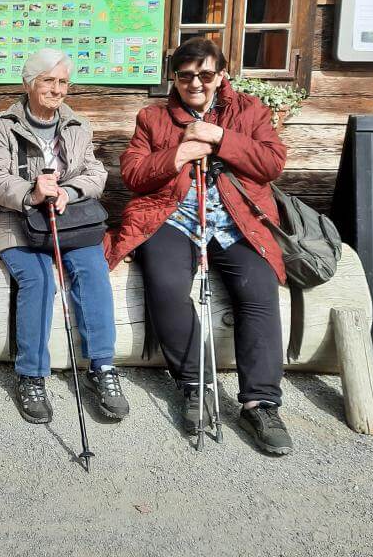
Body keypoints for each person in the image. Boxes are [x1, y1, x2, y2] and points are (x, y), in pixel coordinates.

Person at [106, 36, 292, 455]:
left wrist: (219, 136)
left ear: (221, 75)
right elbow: (134, 173)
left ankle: (261, 403)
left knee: (258, 290)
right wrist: (181, 151)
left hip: (235, 220)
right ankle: (194, 384)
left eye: (205, 75)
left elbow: (272, 163)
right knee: (166, 285)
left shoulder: (249, 110)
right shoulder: (153, 117)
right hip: (171, 217)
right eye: (186, 75)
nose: (195, 83)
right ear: (174, 78)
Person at [0, 48, 128, 425]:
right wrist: (31, 193)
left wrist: (69, 191)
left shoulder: (78, 124)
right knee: (38, 278)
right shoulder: (2, 124)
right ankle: (31, 374)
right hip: (16, 217)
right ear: (28, 84)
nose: (57, 89)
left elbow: (95, 174)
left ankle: (102, 366)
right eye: (48, 80)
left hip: (68, 217)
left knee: (93, 269)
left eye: (63, 81)